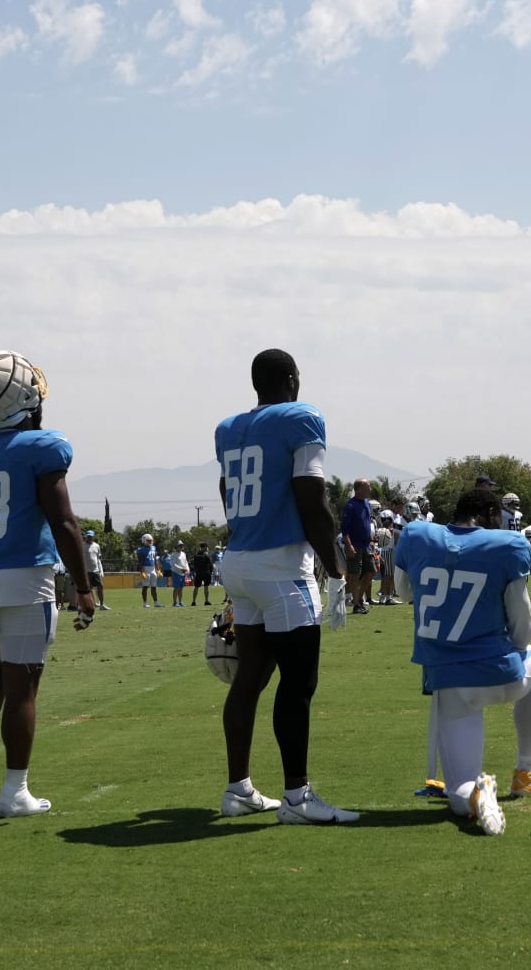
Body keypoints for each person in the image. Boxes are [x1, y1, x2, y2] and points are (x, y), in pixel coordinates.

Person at [0, 350, 94, 817]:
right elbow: (64, 521)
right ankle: (15, 791)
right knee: (25, 683)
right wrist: (85, 588)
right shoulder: (43, 447)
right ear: (26, 401)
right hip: (26, 575)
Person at [214, 348, 357, 824]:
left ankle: (239, 790)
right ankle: (297, 798)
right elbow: (311, 498)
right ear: (292, 380)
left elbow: (225, 490)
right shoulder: (301, 417)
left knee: (252, 675)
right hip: (280, 569)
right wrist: (335, 569)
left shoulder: (228, 428)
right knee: (299, 683)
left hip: (239, 559)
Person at [395, 488, 531, 836]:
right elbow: (523, 627)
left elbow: (404, 592)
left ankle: (476, 794)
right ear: (490, 515)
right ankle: (524, 771)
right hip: (501, 674)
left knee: (459, 791)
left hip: (451, 683)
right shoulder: (506, 545)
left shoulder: (418, 535)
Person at [340, 478, 375, 615]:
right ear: (359, 489)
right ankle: (356, 605)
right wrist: (349, 545)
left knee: (371, 572)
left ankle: (359, 599)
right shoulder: (350, 506)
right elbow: (344, 528)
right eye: (368, 486)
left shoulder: (366, 503)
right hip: (355, 545)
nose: (370, 489)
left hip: (367, 545)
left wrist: (372, 540)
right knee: (354, 575)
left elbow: (367, 522)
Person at [84, 530, 110, 611]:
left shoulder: (97, 546)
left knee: (100, 586)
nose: (89, 538)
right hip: (86, 571)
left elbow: (98, 559)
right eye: (88, 536)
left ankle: (102, 604)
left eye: (91, 536)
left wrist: (101, 570)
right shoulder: (82, 546)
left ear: (93, 537)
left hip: (95, 571)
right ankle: (90, 604)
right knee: (88, 588)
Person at [137, 533, 162, 608]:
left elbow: (155, 560)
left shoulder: (153, 548)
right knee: (145, 586)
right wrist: (142, 571)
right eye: (148, 541)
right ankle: (145, 602)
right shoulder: (141, 550)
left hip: (153, 569)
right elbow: (140, 562)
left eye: (151, 540)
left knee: (154, 586)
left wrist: (158, 569)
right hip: (146, 568)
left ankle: (156, 602)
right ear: (144, 541)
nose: (150, 542)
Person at [190, 542, 214, 607]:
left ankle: (193, 602)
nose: (207, 548)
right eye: (206, 547)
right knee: (206, 587)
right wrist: (210, 572)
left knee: (196, 587)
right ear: (204, 547)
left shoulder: (196, 555)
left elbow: (193, 565)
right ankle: (206, 601)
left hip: (198, 574)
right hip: (206, 573)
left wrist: (196, 572)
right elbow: (211, 565)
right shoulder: (206, 555)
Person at [171, 541, 189, 607]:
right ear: (176, 547)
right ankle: (175, 602)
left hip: (183, 573)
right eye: (180, 546)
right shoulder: (173, 554)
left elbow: (186, 562)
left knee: (181, 588)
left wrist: (187, 569)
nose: (181, 547)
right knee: (176, 588)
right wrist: (181, 569)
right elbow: (174, 565)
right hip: (176, 573)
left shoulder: (183, 554)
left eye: (182, 545)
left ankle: (180, 602)